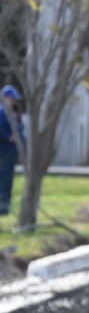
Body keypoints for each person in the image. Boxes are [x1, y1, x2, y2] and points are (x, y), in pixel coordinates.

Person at [0, 85, 24, 216]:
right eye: (11, 99)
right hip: (3, 150)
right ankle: (2, 206)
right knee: (3, 179)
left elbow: (20, 128)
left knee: (8, 180)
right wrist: (10, 136)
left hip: (11, 152)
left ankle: (5, 206)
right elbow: (3, 130)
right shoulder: (1, 113)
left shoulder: (13, 113)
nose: (14, 101)